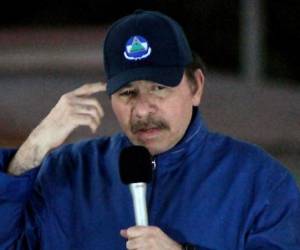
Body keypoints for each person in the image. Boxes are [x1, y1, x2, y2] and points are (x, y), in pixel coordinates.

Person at [0, 9, 299, 250]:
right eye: (128, 93)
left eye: (158, 88)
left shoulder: (260, 182)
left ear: (196, 87)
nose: (142, 110)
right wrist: (31, 151)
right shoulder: (68, 172)